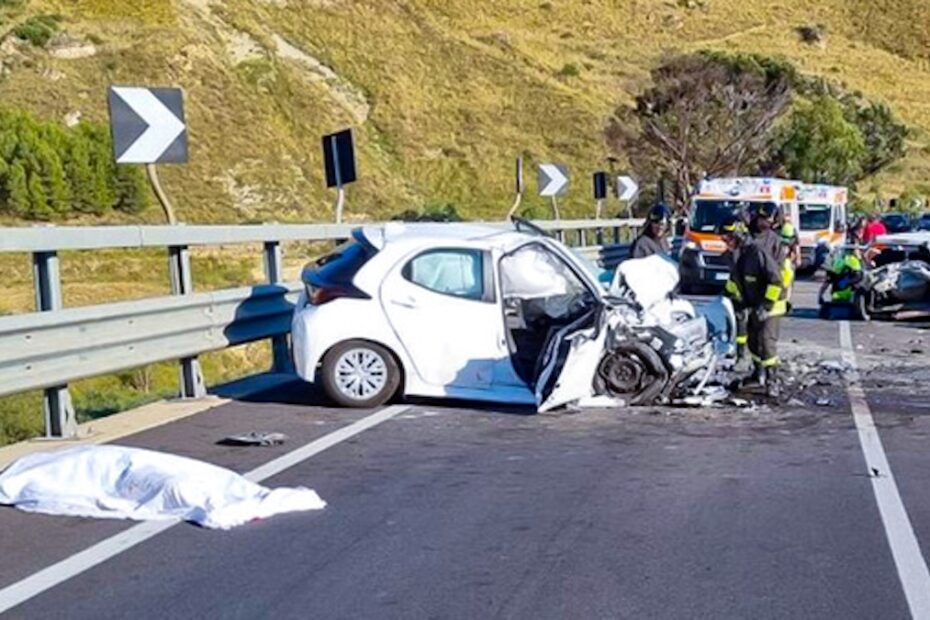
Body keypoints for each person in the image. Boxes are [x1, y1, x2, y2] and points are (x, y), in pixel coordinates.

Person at [720, 214, 786, 397]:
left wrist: (765, 306)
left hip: (772, 305)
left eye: (729, 237)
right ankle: (758, 375)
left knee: (766, 342)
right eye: (723, 238)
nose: (726, 242)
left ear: (740, 234)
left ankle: (773, 380)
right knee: (753, 341)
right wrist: (729, 298)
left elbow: (776, 280)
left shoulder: (757, 252)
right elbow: (735, 282)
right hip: (754, 305)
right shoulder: (736, 255)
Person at [720, 216, 750, 368]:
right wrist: (728, 292)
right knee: (739, 328)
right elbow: (732, 278)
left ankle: (745, 357)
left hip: (750, 298)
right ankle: (740, 355)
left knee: (749, 330)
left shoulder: (748, 253)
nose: (726, 241)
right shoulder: (729, 255)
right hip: (737, 299)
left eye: (728, 238)